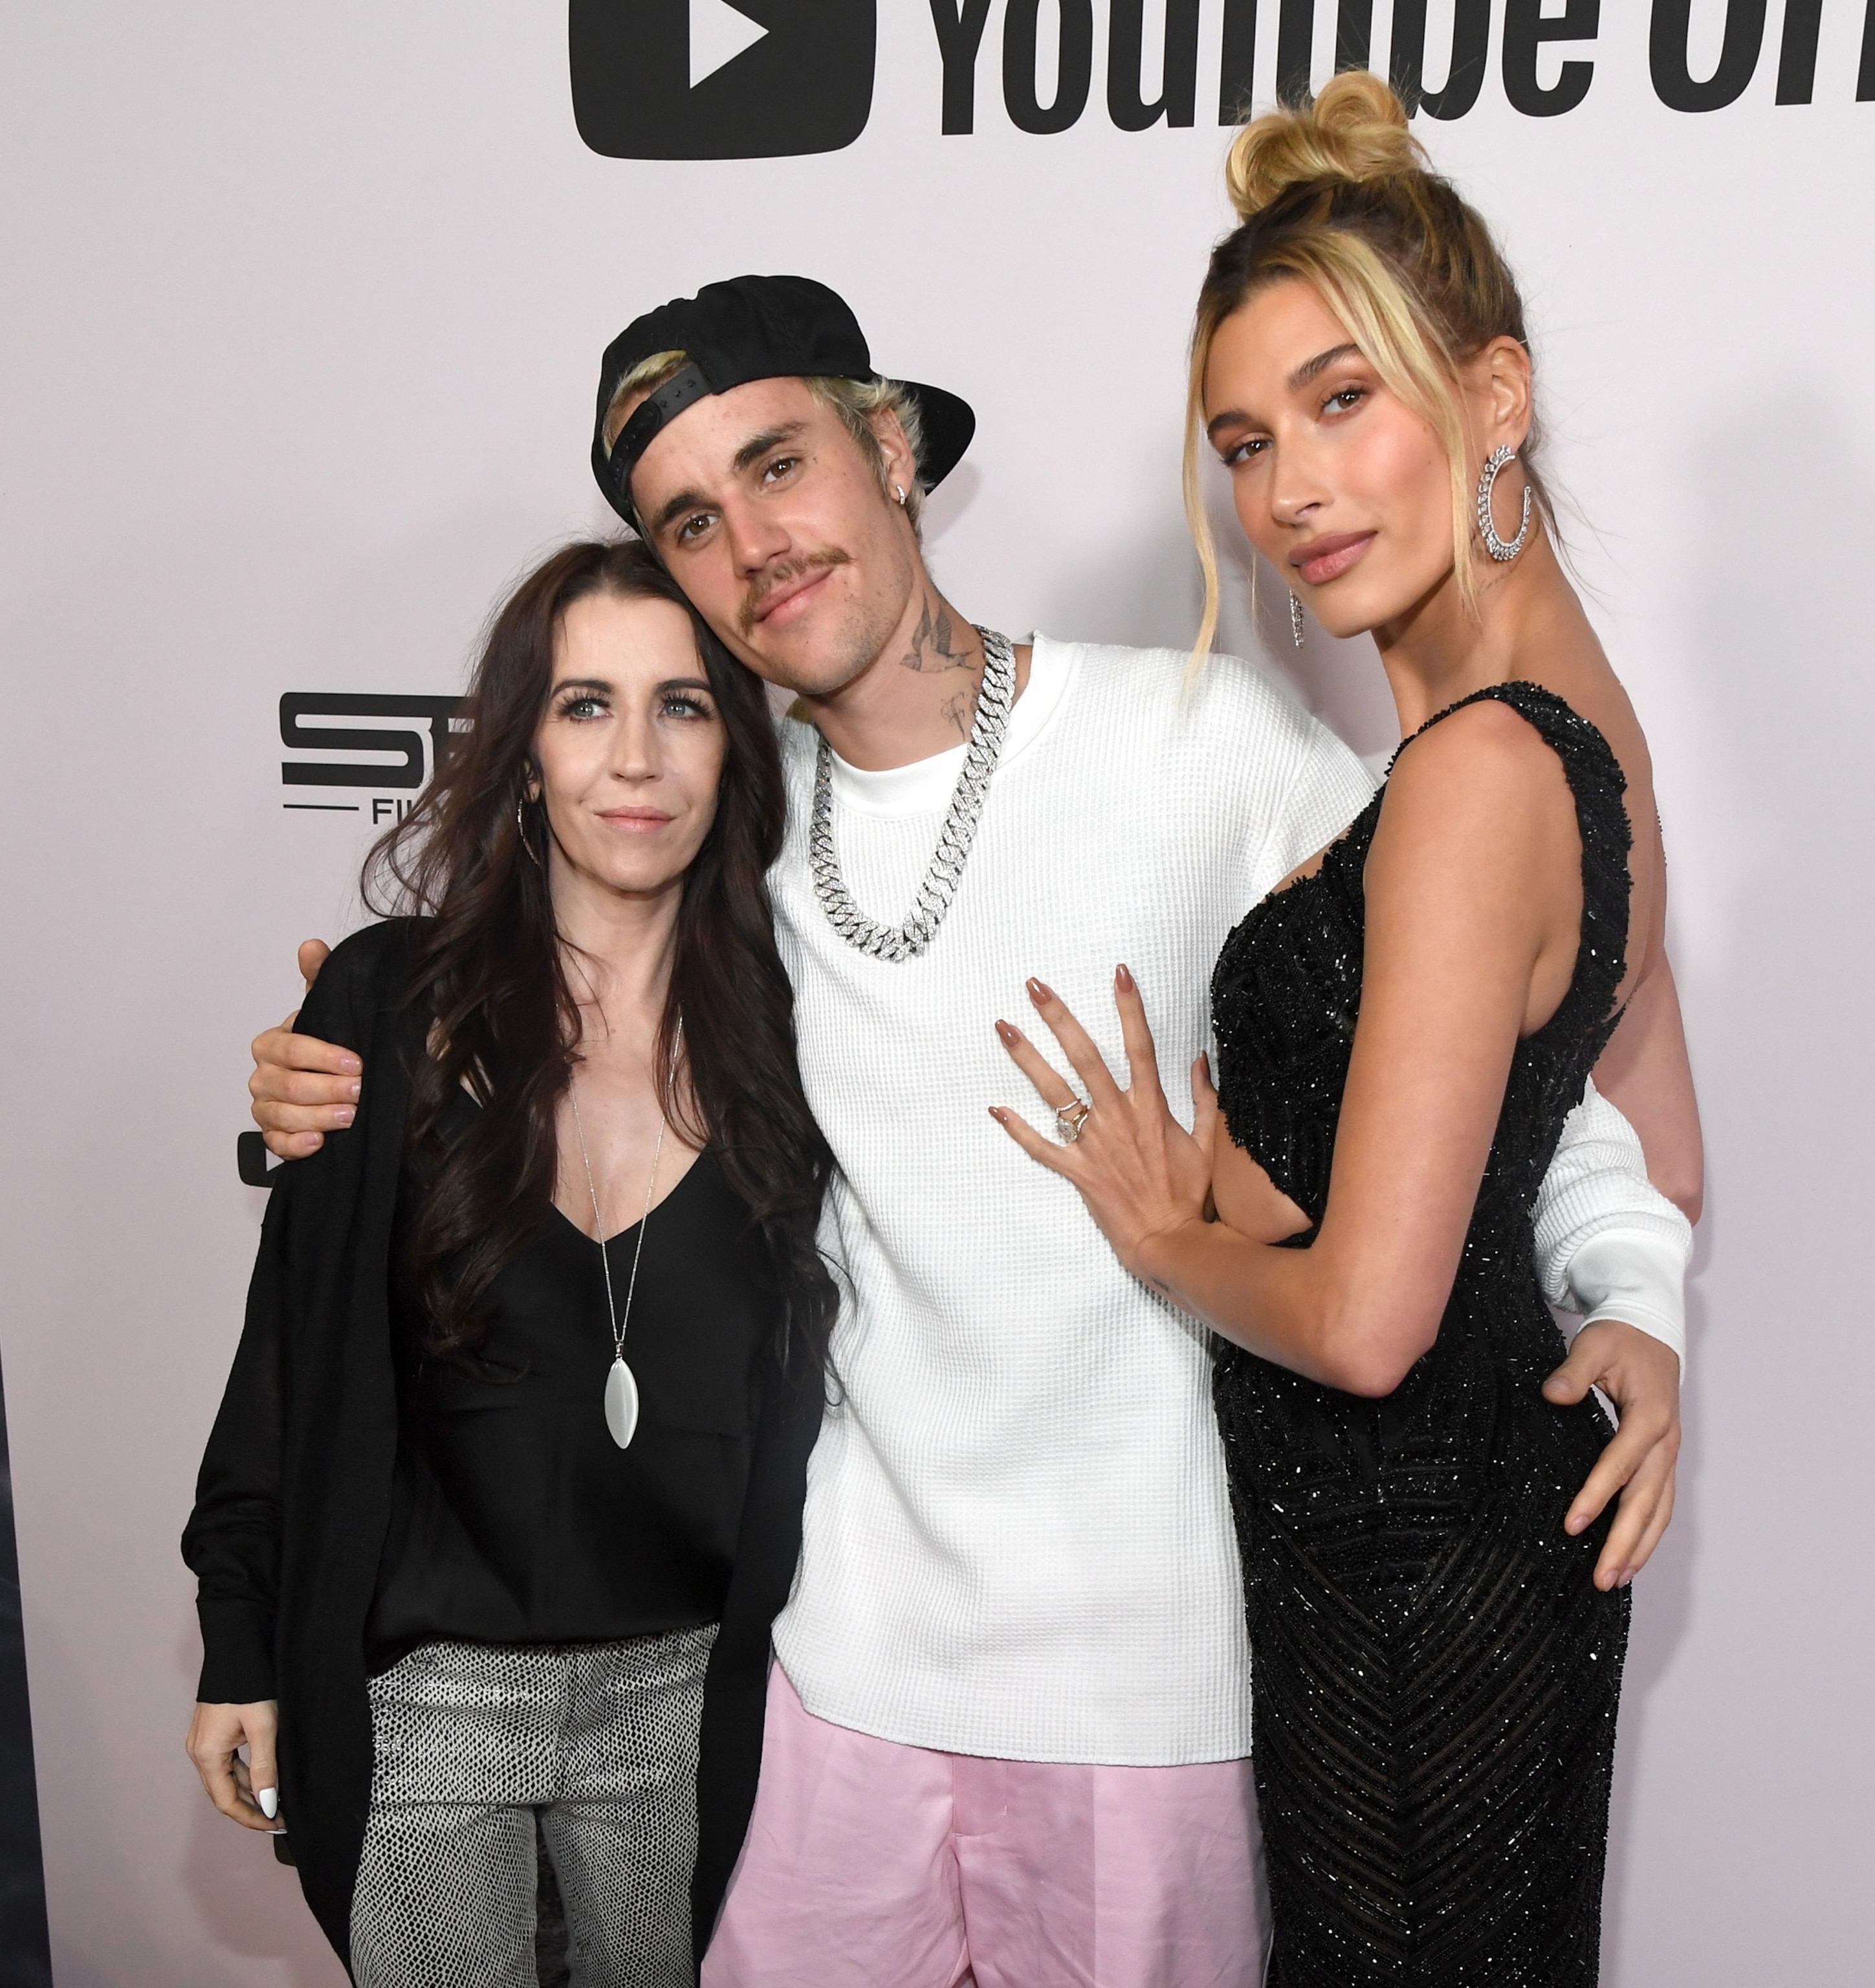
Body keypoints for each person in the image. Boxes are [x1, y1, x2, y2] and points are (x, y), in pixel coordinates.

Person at [246, 273, 1694, 1986]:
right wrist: (337, 1060)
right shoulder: (723, 858)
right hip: (838, 1680)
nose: (755, 545)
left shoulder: (1199, 737)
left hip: (1156, 1694)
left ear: (893, 448)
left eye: (779, 465)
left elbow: (1493, 1048)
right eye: (691, 521)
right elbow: (524, 1043)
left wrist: (1630, 1284)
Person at [991, 75, 1696, 1985]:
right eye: (1242, 438)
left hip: (1404, 1574)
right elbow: (1640, 1122)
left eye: (1340, 401)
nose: (1285, 489)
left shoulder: (1476, 771)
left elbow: (1375, 1327)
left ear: (1494, 397)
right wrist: (1640, 1306)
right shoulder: (1577, 716)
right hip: (1448, 1555)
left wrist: (1165, 1229)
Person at [183, 538, 833, 1987]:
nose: (637, 756)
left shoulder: (806, 1034)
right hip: (432, 1697)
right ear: (524, 749)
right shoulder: (387, 998)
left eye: (683, 704)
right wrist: (240, 1634)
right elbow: (293, 1344)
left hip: (699, 1697)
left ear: (735, 745)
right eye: (586, 704)